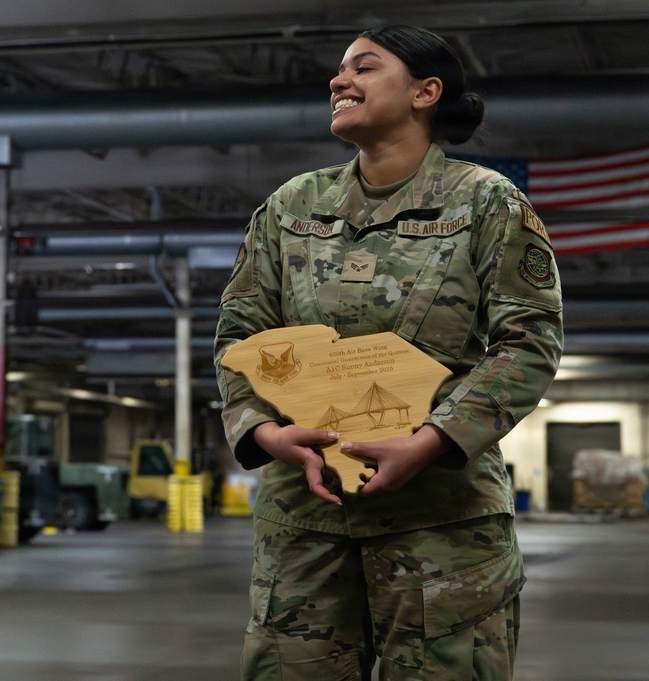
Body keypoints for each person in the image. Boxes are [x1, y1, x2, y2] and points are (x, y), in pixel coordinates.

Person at [214, 25, 563, 681]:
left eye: (364, 67)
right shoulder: (290, 208)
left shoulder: (486, 203)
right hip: (306, 520)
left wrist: (433, 439)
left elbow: (529, 339)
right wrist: (263, 431)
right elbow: (240, 331)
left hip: (443, 525)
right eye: (339, 70)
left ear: (426, 92)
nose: (339, 80)